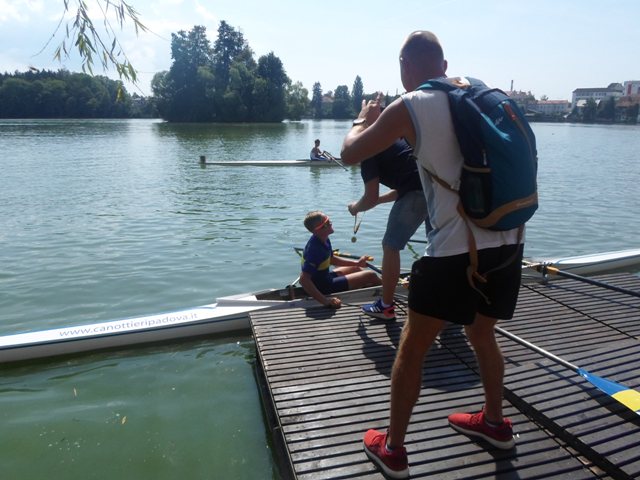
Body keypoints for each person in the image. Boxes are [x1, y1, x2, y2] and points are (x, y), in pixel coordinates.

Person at [340, 31, 524, 479]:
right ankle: (494, 424)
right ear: (443, 65)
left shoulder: (411, 104)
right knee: (483, 333)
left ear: (405, 67)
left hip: (455, 251)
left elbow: (349, 154)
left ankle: (393, 450)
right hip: (510, 237)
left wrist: (363, 120)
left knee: (413, 347)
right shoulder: (482, 93)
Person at [347, 139, 429, 321]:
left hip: (418, 192)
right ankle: (445, 304)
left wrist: (355, 208)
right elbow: (404, 186)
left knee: (391, 246)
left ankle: (385, 307)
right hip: (438, 189)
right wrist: (375, 202)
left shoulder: (367, 148)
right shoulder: (392, 142)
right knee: (438, 247)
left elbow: (370, 197)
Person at [299, 211, 381, 308]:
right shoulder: (315, 250)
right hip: (323, 287)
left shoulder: (323, 239)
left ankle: (371, 286)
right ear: (318, 230)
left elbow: (331, 259)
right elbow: (303, 280)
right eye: (327, 223)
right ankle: (390, 290)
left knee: (356, 268)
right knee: (371, 275)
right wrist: (326, 301)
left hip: (325, 278)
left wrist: (357, 263)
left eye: (329, 220)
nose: (331, 223)